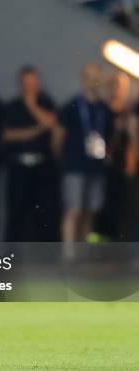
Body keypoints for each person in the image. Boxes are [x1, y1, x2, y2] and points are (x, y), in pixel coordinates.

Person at [57, 64, 114, 246]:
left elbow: (109, 136)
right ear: (82, 80)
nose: (93, 82)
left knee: (91, 210)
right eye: (89, 78)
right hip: (75, 165)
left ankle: (84, 251)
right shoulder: (72, 106)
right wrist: (62, 157)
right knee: (74, 209)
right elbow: (58, 136)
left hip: (96, 167)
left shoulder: (104, 109)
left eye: (96, 78)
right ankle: (69, 254)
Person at [1, 66, 59, 242]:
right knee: (16, 212)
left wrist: (32, 106)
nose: (30, 87)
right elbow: (7, 135)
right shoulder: (13, 105)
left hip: (42, 167)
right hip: (19, 166)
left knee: (44, 214)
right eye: (27, 83)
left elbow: (52, 123)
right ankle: (12, 256)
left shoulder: (46, 102)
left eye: (33, 83)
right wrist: (34, 131)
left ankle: (45, 256)